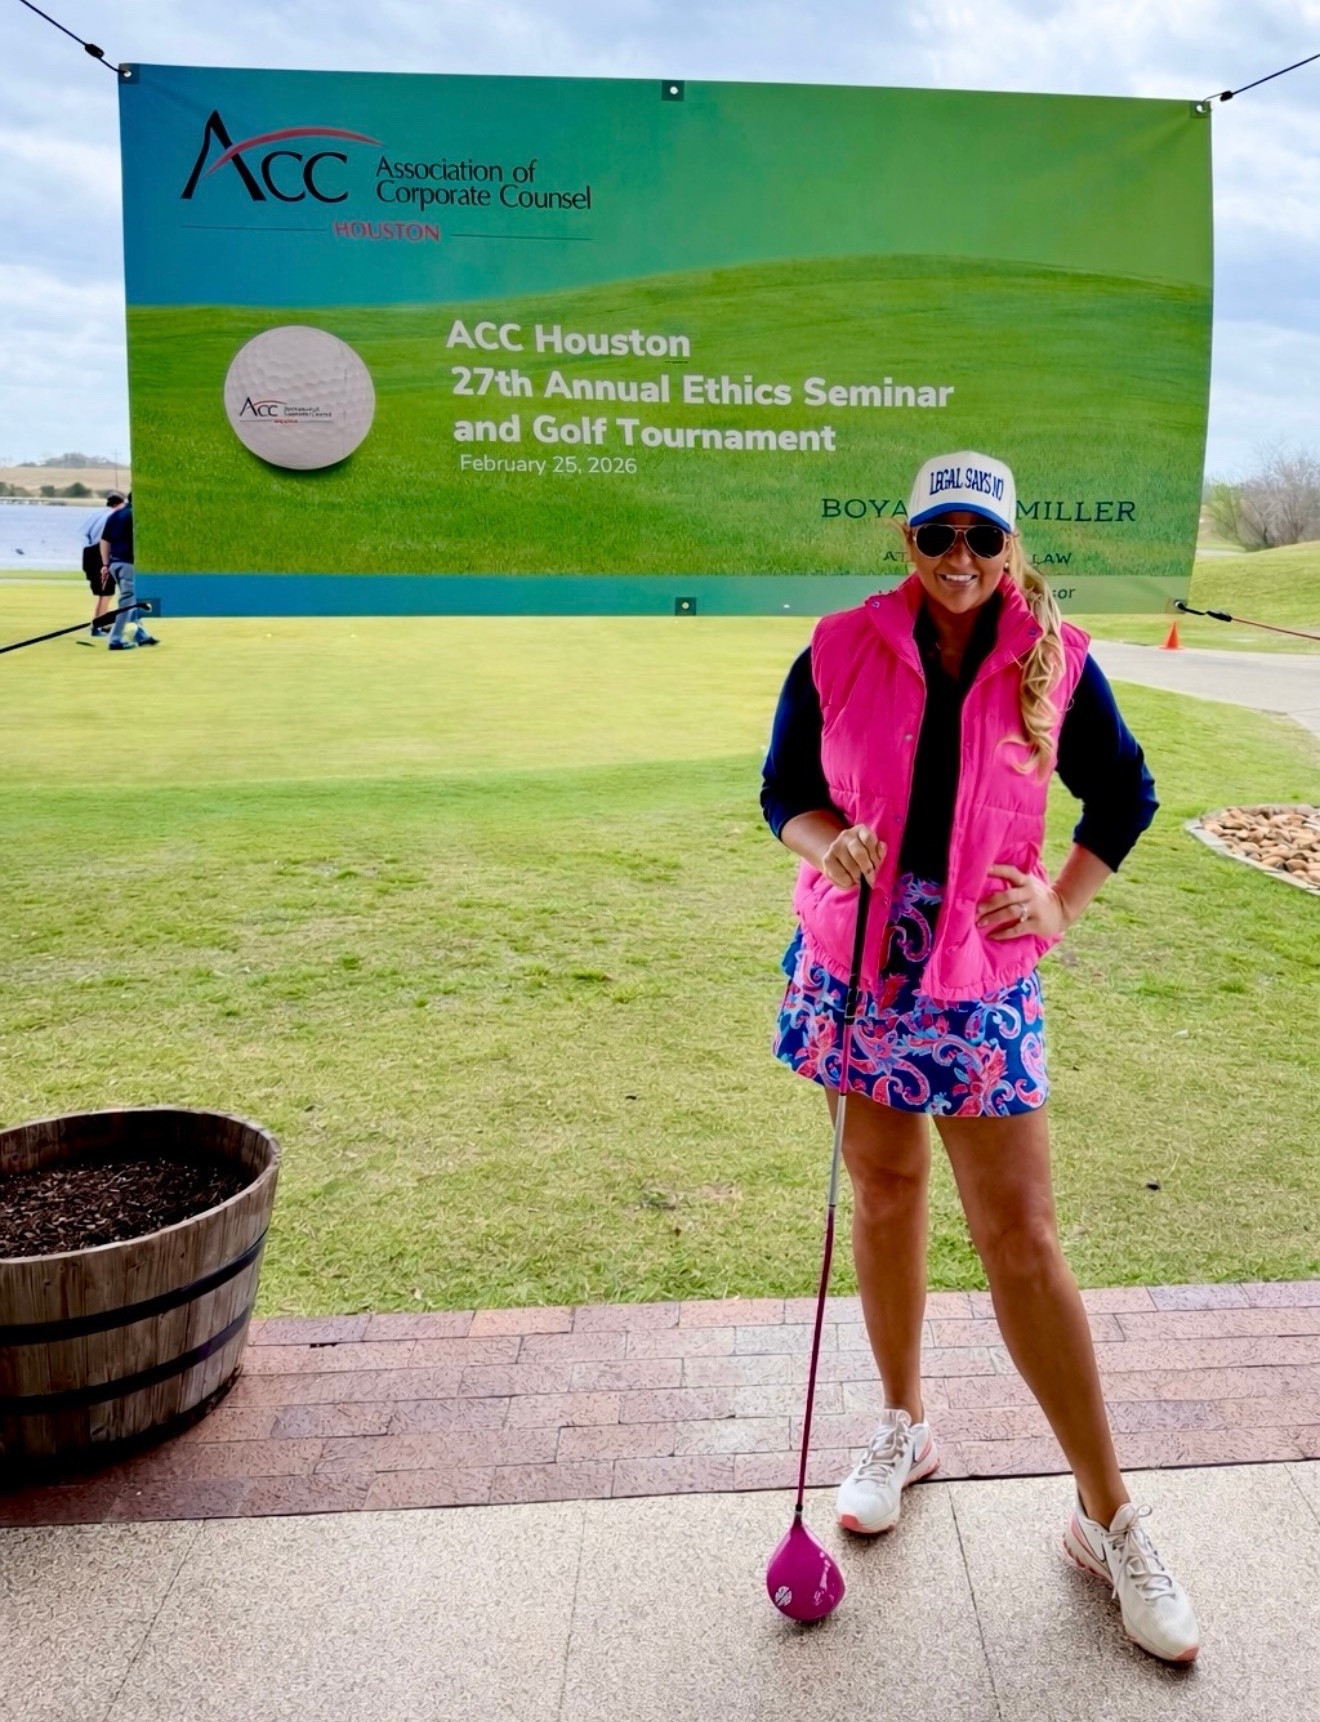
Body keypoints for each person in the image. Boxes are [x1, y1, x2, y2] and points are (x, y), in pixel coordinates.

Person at [761, 450, 1199, 1665]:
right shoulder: (840, 645)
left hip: (980, 974)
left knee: (1022, 1238)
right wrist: (827, 837)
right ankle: (903, 1423)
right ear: (907, 539)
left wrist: (1060, 901)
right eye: (936, 534)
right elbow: (781, 790)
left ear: (1011, 547)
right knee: (887, 1191)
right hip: (859, 964)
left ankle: (1106, 1516)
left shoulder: (1054, 656)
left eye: (982, 538)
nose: (959, 558)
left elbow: (1126, 796)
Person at [100, 493, 158, 651]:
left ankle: (140, 634)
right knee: (127, 601)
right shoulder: (137, 516)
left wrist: (105, 564)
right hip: (128, 564)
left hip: (115, 564)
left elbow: (104, 540)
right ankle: (115, 639)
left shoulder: (115, 515)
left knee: (133, 600)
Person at [77, 490, 124, 643]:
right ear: (120, 503)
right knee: (107, 593)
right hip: (101, 554)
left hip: (88, 553)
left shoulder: (97, 513)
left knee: (104, 592)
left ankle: (101, 623)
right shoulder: (115, 517)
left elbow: (83, 533)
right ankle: (97, 626)